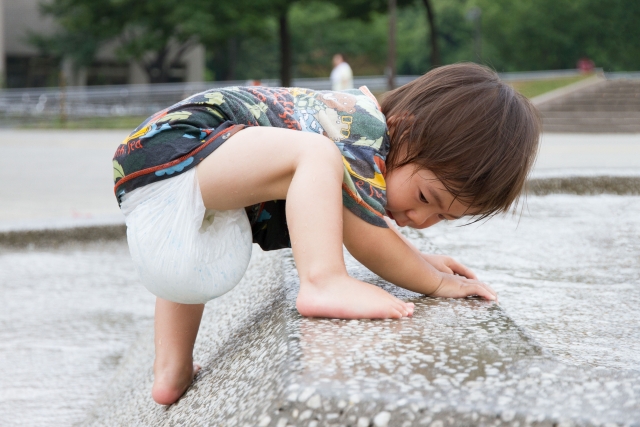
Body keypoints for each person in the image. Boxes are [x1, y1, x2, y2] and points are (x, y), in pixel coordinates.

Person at [112, 63, 540, 406]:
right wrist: (438, 283)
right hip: (182, 146)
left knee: (196, 244)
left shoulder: (373, 148)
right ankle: (322, 282)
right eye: (427, 196)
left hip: (168, 172)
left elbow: (371, 222)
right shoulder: (361, 127)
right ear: (406, 131)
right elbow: (367, 235)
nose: (421, 218)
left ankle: (171, 371)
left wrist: (423, 258)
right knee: (317, 154)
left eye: (443, 218)